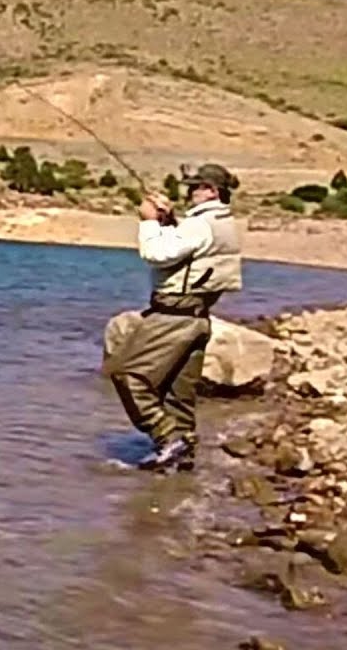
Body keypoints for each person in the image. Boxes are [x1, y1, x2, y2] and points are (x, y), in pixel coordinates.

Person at [106, 163, 242, 473]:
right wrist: (169, 222)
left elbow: (156, 254)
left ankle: (166, 439)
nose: (190, 191)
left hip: (173, 315)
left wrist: (149, 222)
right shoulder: (222, 222)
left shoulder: (201, 224)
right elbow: (188, 251)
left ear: (211, 190)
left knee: (128, 375)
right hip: (198, 317)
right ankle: (183, 465)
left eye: (196, 187)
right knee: (177, 394)